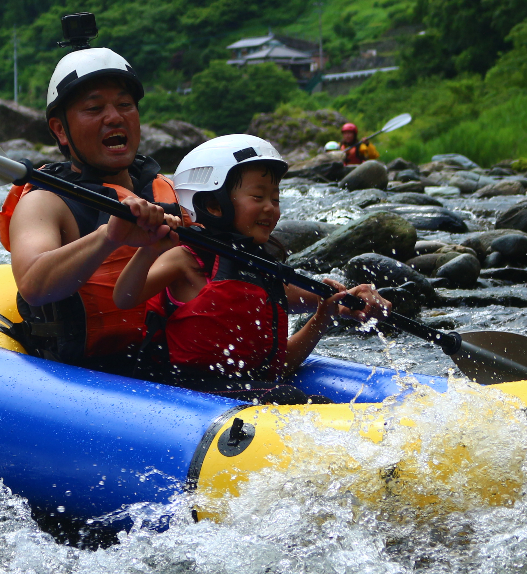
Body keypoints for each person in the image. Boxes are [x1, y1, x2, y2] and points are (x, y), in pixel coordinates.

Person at [113, 135, 389, 396]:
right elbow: (124, 298)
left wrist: (332, 311)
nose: (271, 208)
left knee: (288, 395)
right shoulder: (185, 259)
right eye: (258, 197)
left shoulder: (263, 273)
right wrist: (149, 249)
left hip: (245, 394)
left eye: (275, 199)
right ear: (213, 204)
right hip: (186, 393)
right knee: (288, 397)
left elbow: (278, 367)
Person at [0, 46, 180, 370]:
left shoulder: (166, 189)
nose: (115, 117)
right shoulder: (45, 201)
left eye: (125, 105)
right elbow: (33, 286)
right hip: (81, 373)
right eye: (94, 108)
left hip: (171, 364)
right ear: (60, 130)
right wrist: (108, 237)